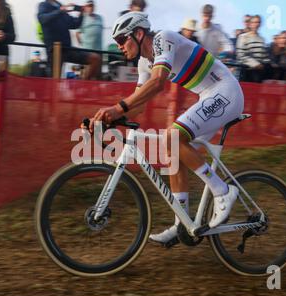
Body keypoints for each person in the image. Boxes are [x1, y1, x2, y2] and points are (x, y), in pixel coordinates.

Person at [84, 12, 244, 247]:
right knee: (174, 152)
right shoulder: (143, 63)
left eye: (121, 40)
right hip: (209, 95)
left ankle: (223, 191)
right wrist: (106, 120)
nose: (119, 47)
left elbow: (159, 82)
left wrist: (117, 108)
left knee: (172, 136)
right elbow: (136, 107)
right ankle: (183, 224)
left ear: (138, 34)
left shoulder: (163, 39)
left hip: (226, 91)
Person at [38, 0, 101, 79]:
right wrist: (60, 11)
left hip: (67, 49)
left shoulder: (60, 6)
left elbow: (74, 24)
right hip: (54, 50)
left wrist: (81, 13)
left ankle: (82, 86)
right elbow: (42, 19)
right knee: (54, 82)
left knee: (95, 58)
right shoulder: (44, 5)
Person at [236, 15, 271, 82]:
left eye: (258, 22)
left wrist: (265, 64)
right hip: (246, 71)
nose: (256, 24)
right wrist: (255, 64)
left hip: (259, 73)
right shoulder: (243, 37)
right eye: (254, 22)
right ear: (250, 24)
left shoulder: (262, 39)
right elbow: (241, 55)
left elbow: (264, 56)